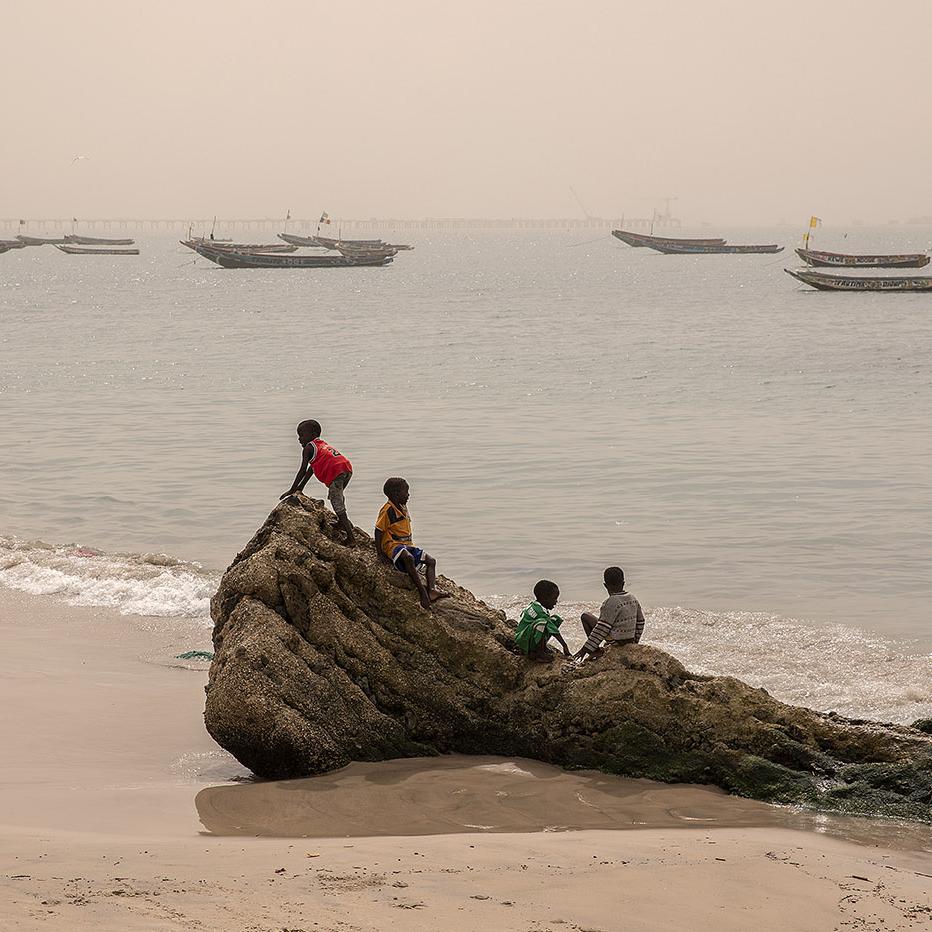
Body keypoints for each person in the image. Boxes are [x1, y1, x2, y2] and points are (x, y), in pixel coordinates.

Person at [374, 477, 448, 610]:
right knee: (408, 558)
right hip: (393, 545)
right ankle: (423, 593)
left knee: (431, 561)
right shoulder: (388, 510)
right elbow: (378, 531)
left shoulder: (402, 506)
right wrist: (380, 553)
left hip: (407, 545)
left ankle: (432, 590)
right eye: (406, 492)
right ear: (396, 494)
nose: (408, 495)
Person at [280, 419, 355, 545]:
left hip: (337, 471)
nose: (299, 439)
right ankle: (342, 522)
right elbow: (311, 469)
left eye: (302, 435)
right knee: (337, 496)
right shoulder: (320, 445)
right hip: (346, 468)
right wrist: (300, 488)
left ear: (313, 433)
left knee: (336, 501)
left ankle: (351, 538)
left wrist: (293, 489)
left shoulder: (309, 448)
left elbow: (303, 470)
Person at [574, 566, 645, 661]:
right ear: (623, 583)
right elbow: (641, 621)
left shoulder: (610, 602)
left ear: (605, 585)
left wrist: (584, 650)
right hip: (630, 640)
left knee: (585, 616)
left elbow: (601, 629)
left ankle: (595, 650)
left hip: (616, 642)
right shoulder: (633, 598)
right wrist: (635, 641)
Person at [514, 580, 571, 663]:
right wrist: (564, 645)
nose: (556, 601)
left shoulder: (539, 606)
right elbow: (553, 630)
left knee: (555, 619)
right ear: (544, 598)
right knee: (542, 623)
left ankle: (542, 648)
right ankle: (538, 653)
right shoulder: (539, 611)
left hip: (528, 636)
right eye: (554, 598)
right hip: (523, 641)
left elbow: (551, 626)